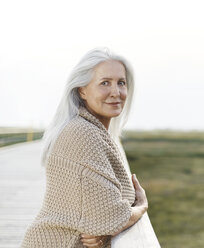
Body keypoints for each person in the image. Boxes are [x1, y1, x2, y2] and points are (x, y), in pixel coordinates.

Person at [21, 47, 156, 247]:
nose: (115, 92)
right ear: (82, 90)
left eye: (121, 83)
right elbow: (110, 214)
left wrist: (106, 231)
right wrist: (142, 206)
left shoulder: (93, 130)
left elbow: (100, 216)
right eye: (104, 83)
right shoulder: (82, 132)